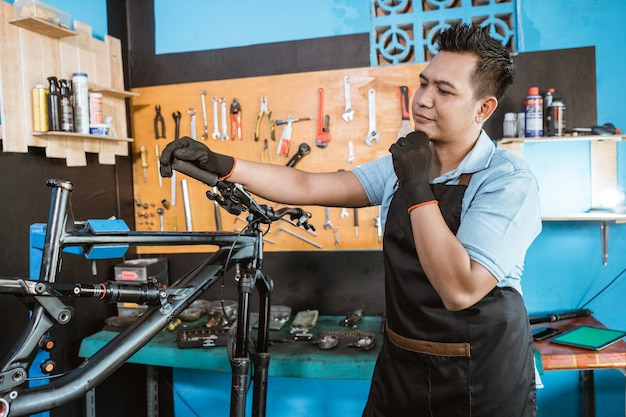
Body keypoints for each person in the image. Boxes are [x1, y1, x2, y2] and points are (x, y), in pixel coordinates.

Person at [160, 23, 541, 417]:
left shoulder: (507, 180)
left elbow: (461, 289)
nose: (424, 100)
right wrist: (224, 165)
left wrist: (417, 188)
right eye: (424, 84)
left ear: (483, 108)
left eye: (444, 91)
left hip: (481, 379)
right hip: (403, 367)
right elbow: (306, 185)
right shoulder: (402, 167)